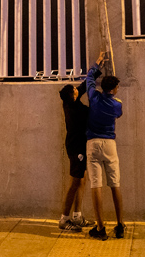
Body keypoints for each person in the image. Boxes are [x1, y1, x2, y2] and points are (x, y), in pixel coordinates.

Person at [85, 51, 125, 240]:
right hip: (110, 144)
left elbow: (89, 79)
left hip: (93, 143)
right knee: (115, 184)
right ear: (115, 89)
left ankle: (100, 227)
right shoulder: (117, 105)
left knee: (96, 185)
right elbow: (119, 115)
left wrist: (98, 63)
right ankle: (120, 225)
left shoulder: (94, 97)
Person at [58, 80, 93, 231]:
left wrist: (95, 71)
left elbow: (82, 87)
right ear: (73, 96)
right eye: (74, 90)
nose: (76, 89)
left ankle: (77, 216)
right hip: (77, 149)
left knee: (82, 179)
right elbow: (92, 112)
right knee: (74, 182)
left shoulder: (68, 102)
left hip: (77, 147)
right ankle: (64, 219)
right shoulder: (78, 111)